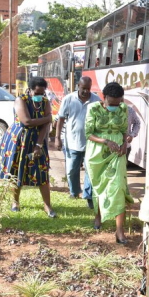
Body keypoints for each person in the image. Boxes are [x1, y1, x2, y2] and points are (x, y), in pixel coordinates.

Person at [0, 77, 56, 218]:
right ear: (29, 90)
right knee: (17, 170)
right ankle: (15, 202)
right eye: (37, 93)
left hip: (38, 139)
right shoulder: (20, 100)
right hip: (19, 140)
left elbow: (45, 125)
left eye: (42, 93)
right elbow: (27, 121)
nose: (40, 96)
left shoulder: (45, 101)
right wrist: (46, 118)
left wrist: (39, 145)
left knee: (42, 171)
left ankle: (47, 205)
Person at [85, 82, 133, 243]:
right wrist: (105, 141)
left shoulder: (123, 108)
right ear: (104, 98)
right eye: (112, 103)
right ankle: (98, 215)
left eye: (118, 103)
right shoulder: (93, 108)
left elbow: (124, 129)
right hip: (97, 153)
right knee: (100, 186)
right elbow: (88, 133)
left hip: (117, 152)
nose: (115, 106)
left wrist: (125, 144)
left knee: (118, 187)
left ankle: (120, 231)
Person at [55, 77, 101, 208]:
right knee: (71, 170)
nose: (86, 91)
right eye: (83, 88)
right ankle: (74, 192)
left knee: (90, 170)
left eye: (88, 88)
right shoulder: (69, 99)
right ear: (78, 86)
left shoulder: (96, 100)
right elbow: (61, 119)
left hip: (91, 143)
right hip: (72, 142)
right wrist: (58, 138)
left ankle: (88, 197)